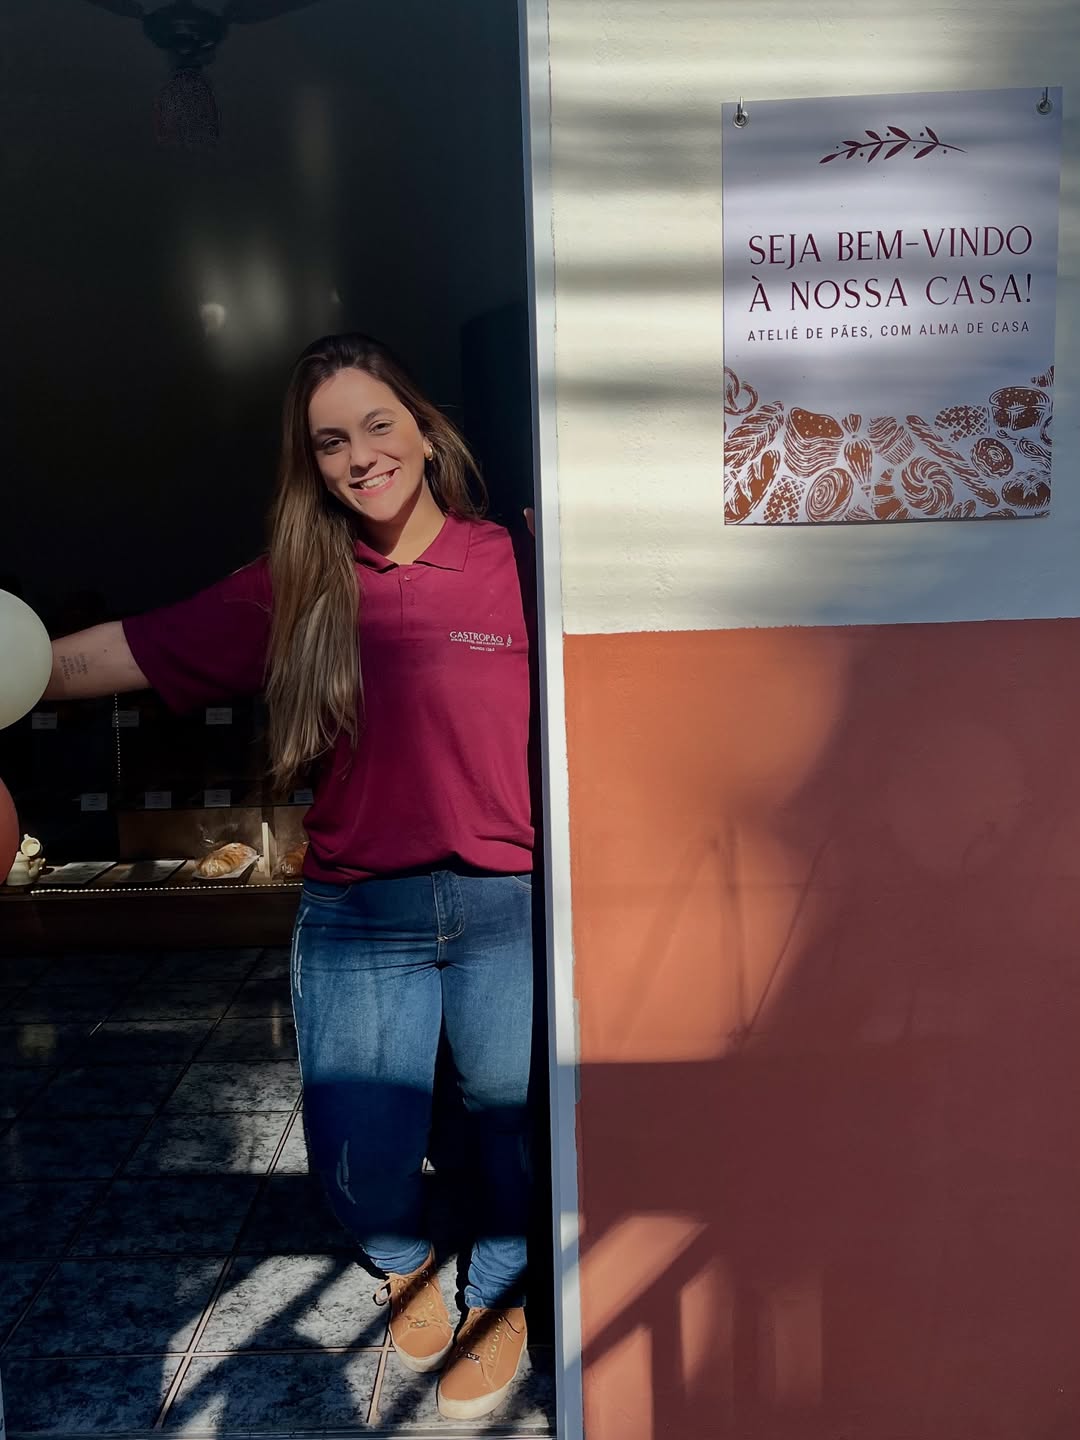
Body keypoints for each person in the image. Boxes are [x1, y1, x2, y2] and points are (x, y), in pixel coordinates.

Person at [44, 332, 538, 1423]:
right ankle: (409, 1263)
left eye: (377, 425)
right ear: (311, 465)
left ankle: (500, 1296)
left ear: (423, 428)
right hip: (363, 911)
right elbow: (127, 648)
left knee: (506, 1126)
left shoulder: (519, 563)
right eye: (331, 442)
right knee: (360, 1154)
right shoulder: (298, 585)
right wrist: (19, 664)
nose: (361, 456)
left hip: (506, 905)